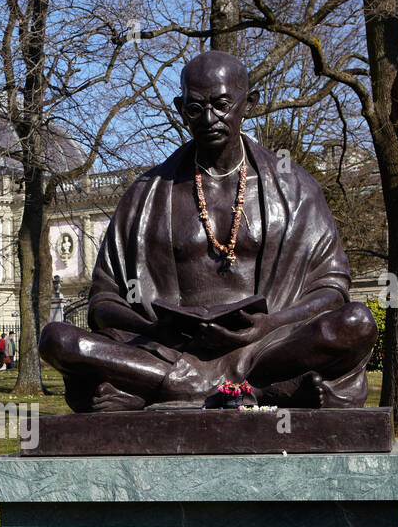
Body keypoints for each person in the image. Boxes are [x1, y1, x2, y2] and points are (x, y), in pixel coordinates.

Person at [39, 51, 376, 412]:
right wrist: (157, 330)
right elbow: (104, 300)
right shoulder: (145, 193)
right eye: (196, 109)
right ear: (180, 108)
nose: (209, 119)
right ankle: (254, 390)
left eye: (221, 104)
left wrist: (267, 324)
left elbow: (332, 288)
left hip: (267, 346)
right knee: (57, 339)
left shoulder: (295, 188)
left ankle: (175, 391)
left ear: (249, 103)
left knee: (356, 322)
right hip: (168, 352)